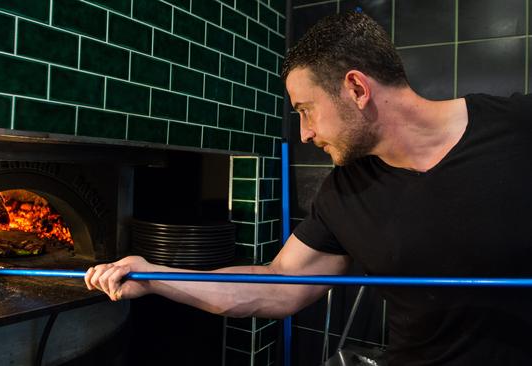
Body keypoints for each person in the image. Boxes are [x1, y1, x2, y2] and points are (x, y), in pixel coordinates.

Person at [86, 11, 532, 365]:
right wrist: (156, 276)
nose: (303, 133)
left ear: (356, 88)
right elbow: (279, 283)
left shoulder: (518, 128)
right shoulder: (345, 192)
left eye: (305, 110)